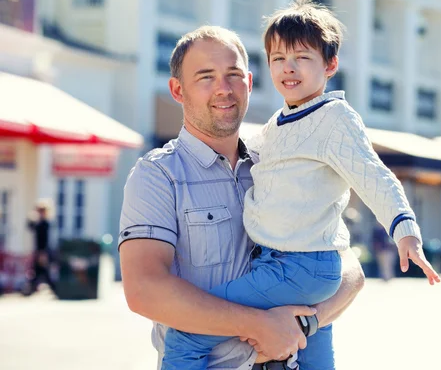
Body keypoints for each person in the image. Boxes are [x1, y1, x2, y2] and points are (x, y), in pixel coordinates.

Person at [161, 0, 440, 370]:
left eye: (302, 58)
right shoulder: (279, 122)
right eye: (279, 59)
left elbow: (374, 174)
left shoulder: (334, 119)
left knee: (186, 331)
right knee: (312, 360)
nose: (288, 68)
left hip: (298, 267)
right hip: (283, 264)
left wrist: (405, 230)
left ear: (330, 65)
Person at [119, 24, 365, 369]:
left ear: (249, 82)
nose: (224, 89)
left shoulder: (281, 160)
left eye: (233, 75)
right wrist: (258, 325)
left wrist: (302, 324)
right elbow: (145, 289)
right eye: (206, 77)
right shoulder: (158, 175)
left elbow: (346, 265)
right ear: (177, 89)